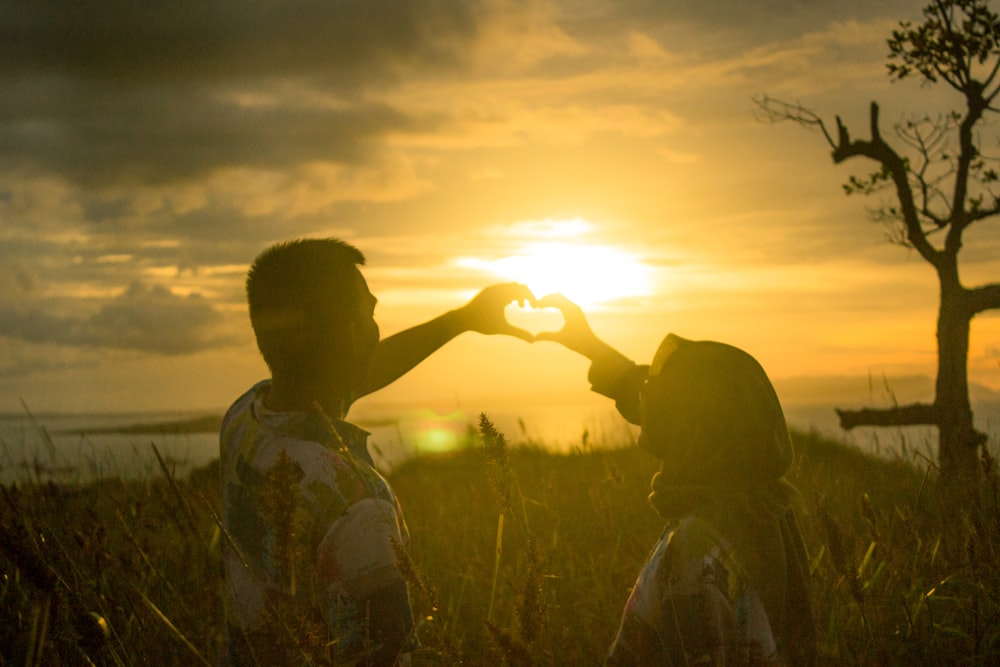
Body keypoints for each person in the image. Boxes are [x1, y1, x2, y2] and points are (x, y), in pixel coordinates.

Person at [220, 238, 535, 666]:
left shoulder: (244, 418)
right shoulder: (358, 504)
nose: (376, 325)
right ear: (351, 335)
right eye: (369, 313)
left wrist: (463, 319)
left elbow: (346, 372)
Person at [536, 294, 816, 666]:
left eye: (657, 392)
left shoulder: (697, 548)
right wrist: (590, 346)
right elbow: (685, 403)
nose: (647, 396)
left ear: (688, 424)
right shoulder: (759, 502)